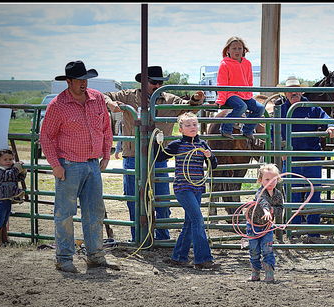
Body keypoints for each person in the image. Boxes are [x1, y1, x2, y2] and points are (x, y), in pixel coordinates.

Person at [104, 66, 205, 242]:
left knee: (162, 199)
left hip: (159, 155)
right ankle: (139, 238)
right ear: (143, 82)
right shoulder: (127, 95)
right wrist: (111, 104)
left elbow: (188, 106)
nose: (157, 85)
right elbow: (104, 95)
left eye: (160, 82)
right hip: (133, 156)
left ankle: (162, 237)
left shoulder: (169, 98)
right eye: (153, 82)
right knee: (134, 199)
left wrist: (196, 99)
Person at [40, 60, 119, 273]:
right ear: (69, 81)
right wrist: (55, 165)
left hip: (92, 164)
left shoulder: (97, 99)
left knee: (94, 212)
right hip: (69, 164)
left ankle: (95, 255)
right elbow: (46, 136)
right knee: (65, 213)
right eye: (79, 80)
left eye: (85, 80)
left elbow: (105, 128)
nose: (83, 84)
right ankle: (64, 258)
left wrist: (106, 153)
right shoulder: (57, 105)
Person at [274, 76, 334, 243]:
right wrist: (281, 147)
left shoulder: (312, 107)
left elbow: (327, 119)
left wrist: (331, 126)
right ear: (286, 93)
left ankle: (313, 231)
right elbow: (274, 131)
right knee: (293, 193)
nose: (294, 93)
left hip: (311, 156)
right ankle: (294, 229)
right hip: (292, 156)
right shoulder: (280, 109)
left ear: (301, 91)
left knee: (314, 192)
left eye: (296, 89)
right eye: (290, 90)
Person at [156, 112, 221, 270]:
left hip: (197, 187)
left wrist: (210, 157)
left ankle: (179, 257)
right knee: (198, 219)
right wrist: (157, 143)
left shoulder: (203, 145)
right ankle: (203, 259)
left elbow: (214, 166)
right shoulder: (177, 145)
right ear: (181, 129)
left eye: (194, 124)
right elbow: (160, 157)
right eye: (188, 125)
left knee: (190, 221)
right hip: (183, 188)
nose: (192, 127)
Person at [215, 36, 265, 140]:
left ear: (244, 50)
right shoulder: (224, 64)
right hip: (230, 94)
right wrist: (221, 99)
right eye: (234, 48)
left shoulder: (247, 63)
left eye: (239, 48)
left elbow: (249, 80)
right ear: (228, 50)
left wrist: (249, 93)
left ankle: (247, 130)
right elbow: (222, 83)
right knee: (242, 107)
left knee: (260, 108)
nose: (237, 51)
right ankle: (225, 128)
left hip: (244, 94)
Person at [247, 164, 284, 282]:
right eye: (267, 179)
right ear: (260, 180)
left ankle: (269, 272)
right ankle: (255, 272)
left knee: (267, 249)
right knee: (254, 249)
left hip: (267, 226)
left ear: (277, 179)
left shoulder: (278, 194)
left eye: (273, 179)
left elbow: (280, 208)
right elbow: (262, 201)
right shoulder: (260, 192)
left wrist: (273, 211)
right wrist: (266, 210)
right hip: (253, 225)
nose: (271, 182)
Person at [0, 149, 27, 246]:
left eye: (11, 159)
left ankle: (5, 239)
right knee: (0, 219)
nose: (9, 161)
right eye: (5, 159)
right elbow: (9, 176)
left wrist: (23, 170)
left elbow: (18, 178)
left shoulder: (10, 169)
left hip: (8, 198)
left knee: (5, 219)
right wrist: (16, 168)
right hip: (1, 199)